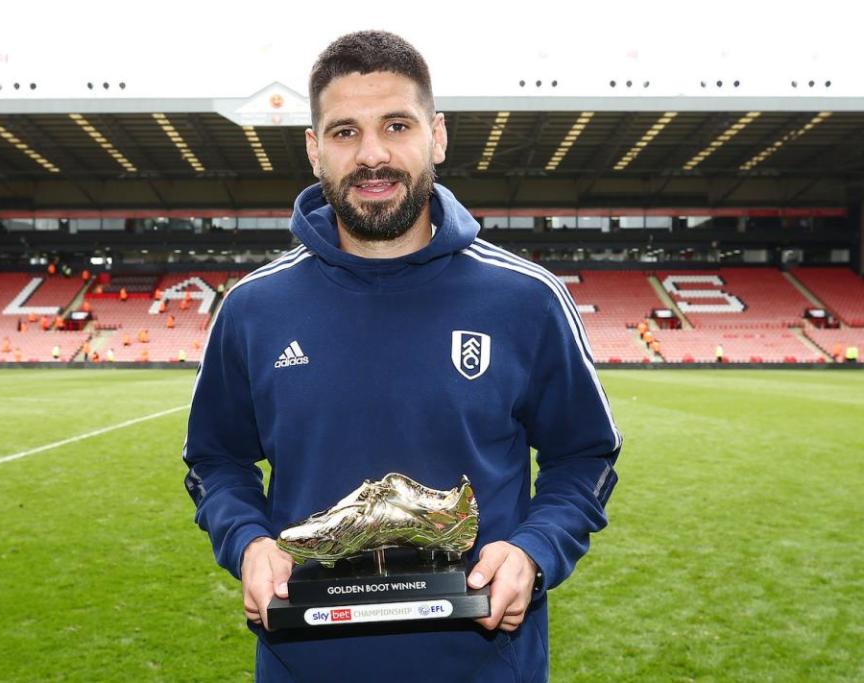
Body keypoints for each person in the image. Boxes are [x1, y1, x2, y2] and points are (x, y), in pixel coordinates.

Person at [182, 31, 621, 683]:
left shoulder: (525, 298)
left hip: (487, 667)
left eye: (397, 125)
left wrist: (532, 551)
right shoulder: (253, 307)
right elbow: (216, 460)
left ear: (437, 135)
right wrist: (246, 541)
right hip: (305, 664)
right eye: (344, 132)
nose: (373, 155)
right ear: (313, 148)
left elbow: (585, 456)